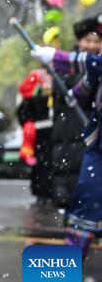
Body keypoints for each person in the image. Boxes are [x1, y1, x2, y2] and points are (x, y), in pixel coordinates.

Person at [31, 41, 102, 257]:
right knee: (84, 206)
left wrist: (57, 57)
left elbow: (95, 63)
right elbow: (93, 73)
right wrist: (76, 93)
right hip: (98, 144)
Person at [48, 15, 102, 206]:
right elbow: (69, 94)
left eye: (97, 41)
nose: (92, 46)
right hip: (68, 131)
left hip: (92, 132)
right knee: (69, 179)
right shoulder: (64, 66)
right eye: (88, 40)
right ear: (79, 42)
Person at [16, 69, 53, 201]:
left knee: (44, 164)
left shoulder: (38, 84)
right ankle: (44, 192)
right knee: (43, 164)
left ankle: (44, 192)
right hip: (43, 134)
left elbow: (23, 112)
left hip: (47, 133)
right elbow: (24, 111)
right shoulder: (36, 85)